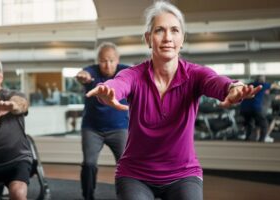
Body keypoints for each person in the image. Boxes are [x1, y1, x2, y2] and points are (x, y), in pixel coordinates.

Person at [86, 2, 261, 200]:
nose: (168, 38)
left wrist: (232, 87)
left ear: (182, 39)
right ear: (148, 39)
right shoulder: (134, 75)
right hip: (135, 175)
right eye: (159, 30)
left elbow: (215, 81)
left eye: (174, 30)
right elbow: (119, 83)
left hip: (183, 174)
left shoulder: (195, 74)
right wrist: (109, 91)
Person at [76, 42, 129, 200]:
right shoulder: (92, 71)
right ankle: (88, 196)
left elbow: (138, 74)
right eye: (103, 60)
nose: (107, 64)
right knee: (89, 164)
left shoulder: (124, 71)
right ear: (98, 60)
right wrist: (82, 76)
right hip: (92, 129)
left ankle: (126, 195)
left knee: (126, 165)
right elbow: (84, 74)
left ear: (117, 60)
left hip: (119, 129)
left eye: (111, 60)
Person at [0, 56, 32, 200]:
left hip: (15, 160)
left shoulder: (11, 95)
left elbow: (22, 103)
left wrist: (13, 106)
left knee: (18, 193)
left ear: (0, 77)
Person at [240, 75, 271, 142]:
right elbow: (271, 85)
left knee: (249, 124)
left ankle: (247, 139)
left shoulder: (249, 85)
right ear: (262, 80)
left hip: (244, 108)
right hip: (255, 107)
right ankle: (261, 140)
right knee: (264, 124)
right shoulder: (263, 85)